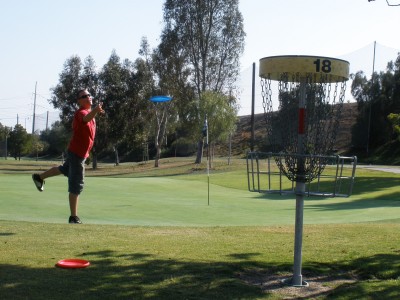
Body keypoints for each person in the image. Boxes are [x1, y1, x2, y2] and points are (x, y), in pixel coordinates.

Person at [32, 89, 104, 224]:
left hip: (77, 153)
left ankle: (38, 177)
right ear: (79, 101)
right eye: (84, 96)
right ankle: (73, 217)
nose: (88, 97)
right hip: (77, 153)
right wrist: (95, 110)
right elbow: (85, 119)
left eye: (89, 95)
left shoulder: (89, 113)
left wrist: (95, 111)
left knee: (64, 169)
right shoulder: (81, 113)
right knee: (77, 183)